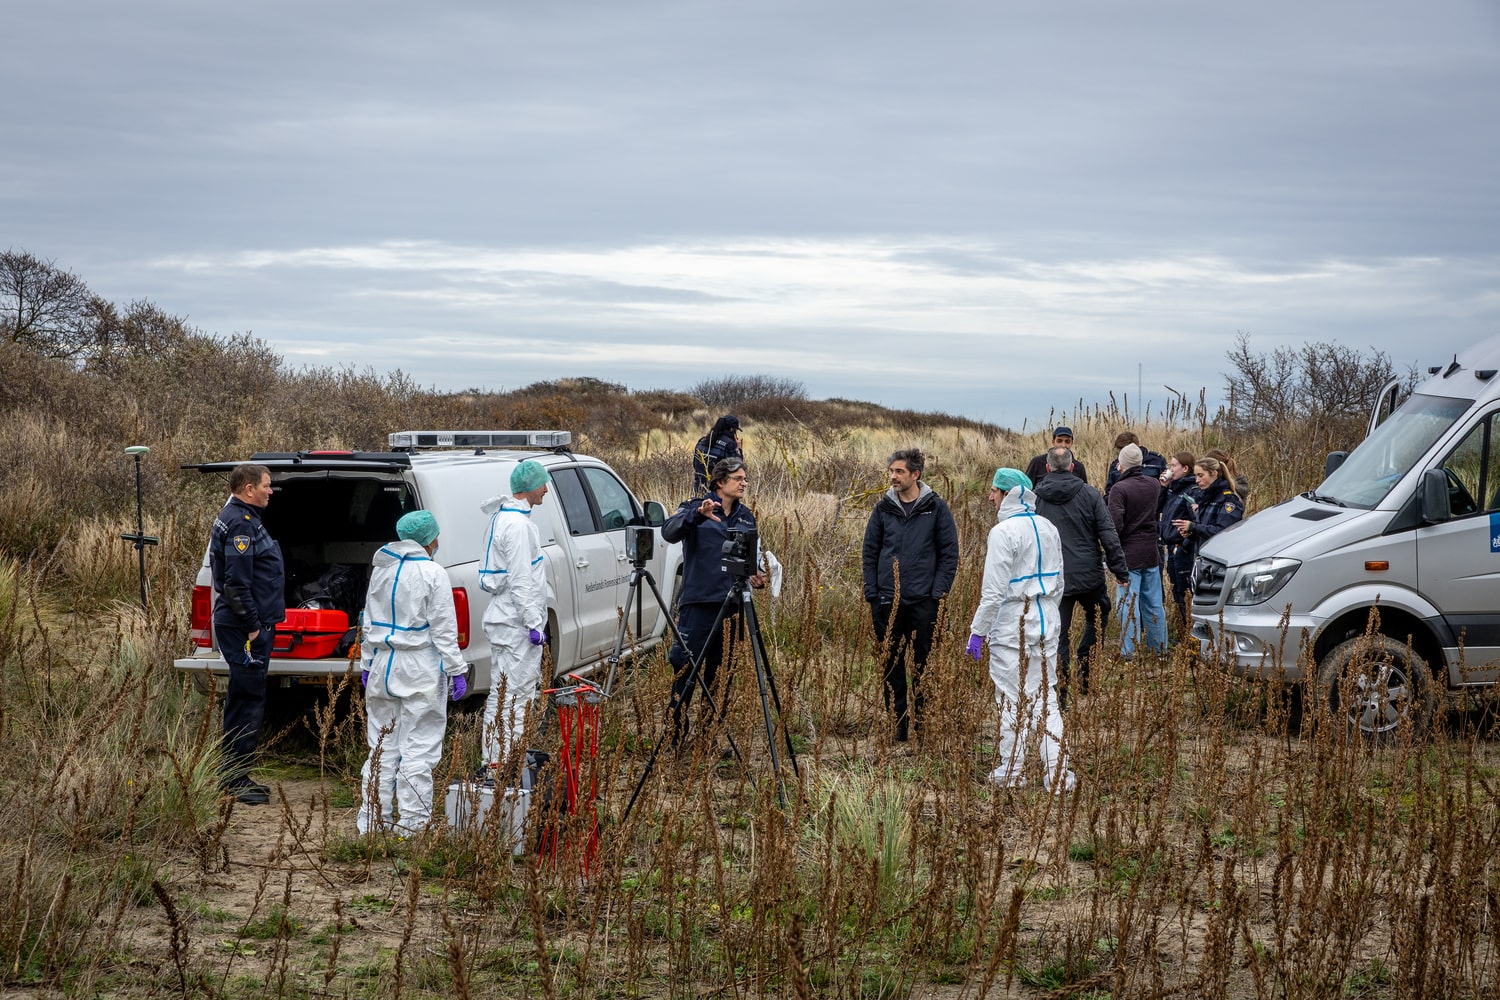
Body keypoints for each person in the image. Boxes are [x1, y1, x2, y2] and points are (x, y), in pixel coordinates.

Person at [357, 510, 468, 835]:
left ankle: (372, 822)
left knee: (381, 747)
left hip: (382, 666)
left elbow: (368, 621)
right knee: (418, 747)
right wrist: (456, 670)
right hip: (419, 665)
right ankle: (413, 825)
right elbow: (445, 629)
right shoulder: (433, 573)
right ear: (429, 539)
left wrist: (367, 663)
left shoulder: (382, 570)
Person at [965, 468, 1074, 792]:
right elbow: (1060, 582)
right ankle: (1057, 775)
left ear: (1007, 494)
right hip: (1046, 622)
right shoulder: (1047, 527)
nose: (990, 496)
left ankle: (1011, 771)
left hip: (1012, 625)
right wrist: (1048, 613)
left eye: (995, 490)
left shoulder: (1003, 532)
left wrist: (977, 631)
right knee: (1046, 700)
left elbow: (994, 592)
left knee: (1011, 700)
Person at [662, 456, 765, 745]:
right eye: (738, 478)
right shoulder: (694, 507)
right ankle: (675, 736)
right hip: (698, 604)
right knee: (684, 668)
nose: (744, 483)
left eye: (745, 478)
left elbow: (752, 558)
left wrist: (757, 575)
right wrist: (697, 514)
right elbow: (669, 532)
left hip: (732, 606)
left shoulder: (746, 517)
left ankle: (707, 738)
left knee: (721, 676)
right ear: (720, 482)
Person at [861, 448, 960, 742]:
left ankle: (922, 724)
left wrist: (938, 594)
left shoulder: (936, 508)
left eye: (899, 471)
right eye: (891, 471)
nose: (893, 476)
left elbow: (949, 554)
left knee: (923, 665)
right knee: (891, 665)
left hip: (924, 603)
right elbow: (869, 552)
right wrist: (872, 592)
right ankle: (897, 725)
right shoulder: (882, 509)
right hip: (886, 602)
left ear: (915, 475)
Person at [210, 463, 285, 806]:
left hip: (241, 626)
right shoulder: (241, 524)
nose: (271, 491)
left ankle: (234, 773)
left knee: (242, 699)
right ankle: (235, 779)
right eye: (267, 486)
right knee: (247, 702)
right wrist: (255, 626)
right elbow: (236, 585)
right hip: (244, 628)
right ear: (248, 488)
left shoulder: (239, 516)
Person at [1034, 446, 1129, 701]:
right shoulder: (1089, 494)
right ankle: (1085, 672)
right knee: (1097, 618)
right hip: (1089, 575)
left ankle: (1060, 691)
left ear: (1047, 467)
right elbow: (1108, 534)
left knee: (1059, 634)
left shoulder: (1036, 498)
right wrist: (1120, 570)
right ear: (1073, 466)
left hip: (1054, 577)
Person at [478, 459, 552, 777]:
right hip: (515, 622)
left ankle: (496, 762)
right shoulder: (518, 526)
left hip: (506, 619)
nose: (546, 489)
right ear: (529, 487)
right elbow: (522, 580)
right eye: (543, 484)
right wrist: (534, 623)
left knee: (502, 693)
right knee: (517, 696)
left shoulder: (504, 518)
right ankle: (506, 766)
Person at [1108, 444, 1168, 660]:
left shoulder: (1119, 489)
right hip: (1150, 551)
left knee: (1127, 605)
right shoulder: (1154, 485)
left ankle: (1128, 652)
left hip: (1128, 554)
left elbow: (1115, 525)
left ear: (1121, 463)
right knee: (1154, 603)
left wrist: (1111, 554)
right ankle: (1159, 649)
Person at [1157, 451, 1202, 627]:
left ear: (1185, 469)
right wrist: (1163, 486)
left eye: (1174, 465)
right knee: (1177, 590)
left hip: (1182, 548)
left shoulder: (1191, 491)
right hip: (1171, 546)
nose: (1170, 469)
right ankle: (1184, 631)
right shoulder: (1172, 489)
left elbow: (1196, 521)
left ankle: (1192, 634)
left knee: (1185, 591)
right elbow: (1158, 508)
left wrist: (1184, 545)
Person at [1172, 456, 1245, 564]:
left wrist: (1193, 527)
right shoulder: (1205, 498)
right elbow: (1204, 529)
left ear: (1214, 473)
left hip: (1219, 561)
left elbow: (1223, 533)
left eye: (1201, 475)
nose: (1197, 480)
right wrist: (1190, 533)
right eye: (1196, 476)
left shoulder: (1228, 500)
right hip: (1202, 559)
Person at [1104, 431, 1167, 496]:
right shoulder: (1115, 466)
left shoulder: (1157, 461)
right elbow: (1109, 494)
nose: (1123, 454)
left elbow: (1166, 487)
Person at [692, 415, 743, 495]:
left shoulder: (702, 441)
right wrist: (739, 449)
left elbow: (695, 464)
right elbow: (738, 467)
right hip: (717, 492)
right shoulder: (729, 444)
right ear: (731, 429)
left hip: (699, 488)